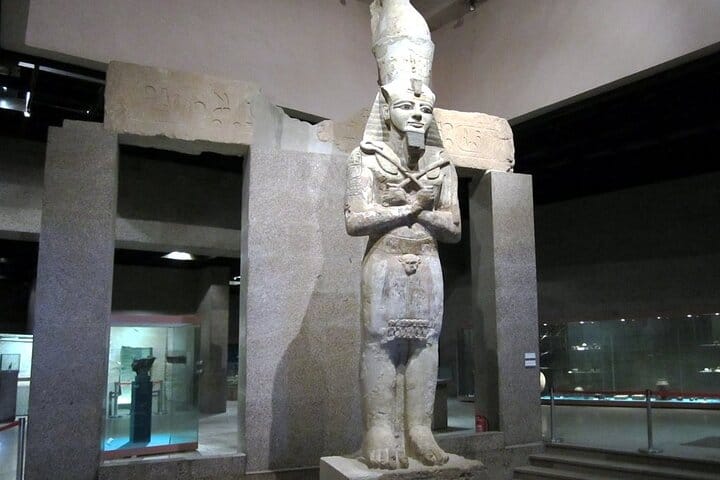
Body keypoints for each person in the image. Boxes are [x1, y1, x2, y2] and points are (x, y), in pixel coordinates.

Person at [344, 76, 460, 469]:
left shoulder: (441, 164)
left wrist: (417, 210)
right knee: (380, 342)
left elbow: (453, 227)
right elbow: (356, 220)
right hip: (384, 260)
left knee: (426, 343)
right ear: (386, 111)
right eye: (407, 107)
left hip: (427, 260)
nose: (418, 115)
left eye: (425, 109)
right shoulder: (365, 157)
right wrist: (409, 207)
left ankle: (420, 431)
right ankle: (379, 430)